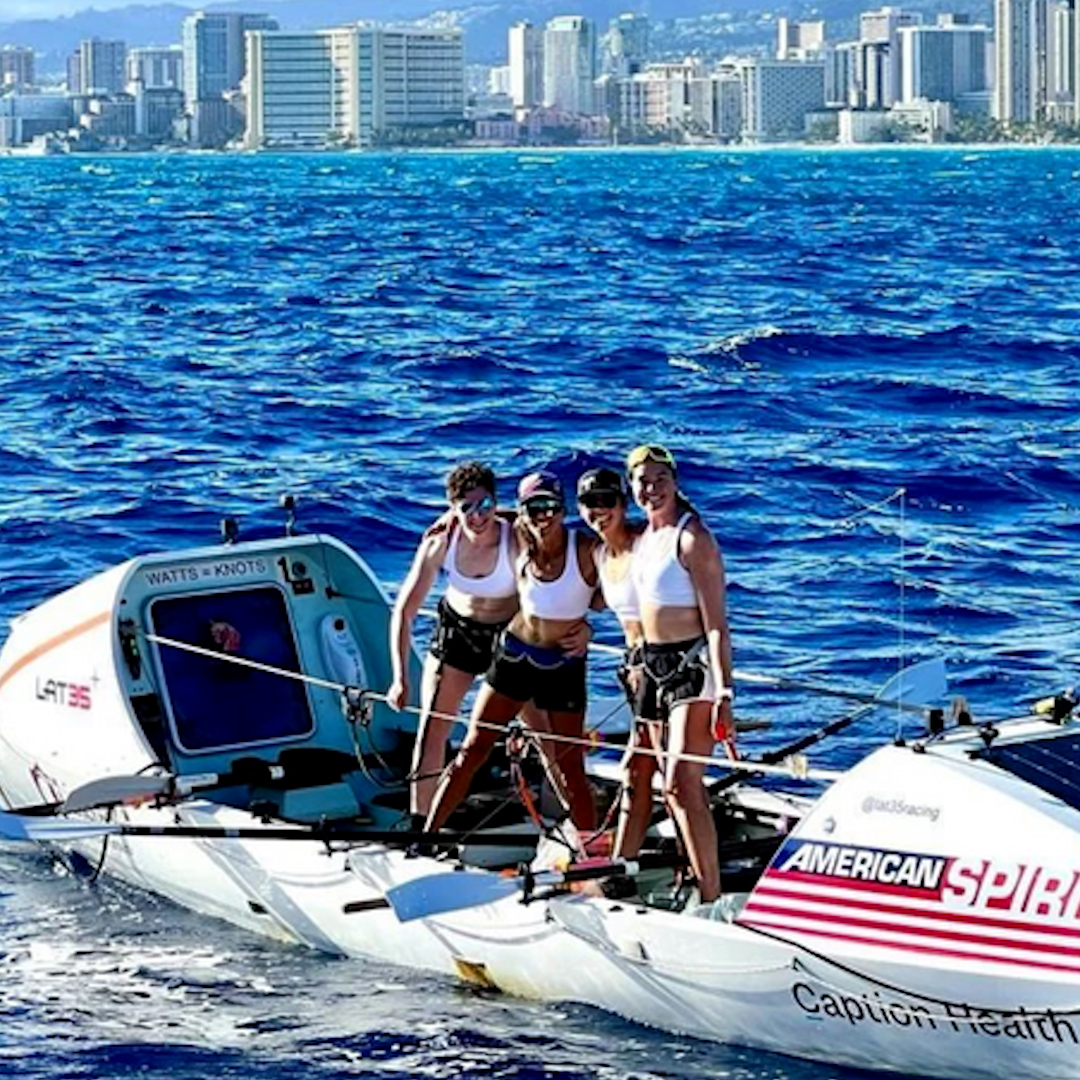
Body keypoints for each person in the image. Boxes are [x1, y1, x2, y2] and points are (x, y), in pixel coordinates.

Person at [425, 469, 599, 836]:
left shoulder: (584, 548)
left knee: (570, 767)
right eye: (535, 508)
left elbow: (616, 590)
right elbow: (489, 514)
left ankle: (591, 855)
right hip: (514, 657)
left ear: (564, 508)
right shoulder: (518, 534)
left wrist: (588, 628)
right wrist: (448, 518)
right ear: (523, 512)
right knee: (473, 749)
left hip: (563, 665)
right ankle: (424, 837)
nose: (544, 516)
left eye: (551, 507)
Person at [626, 444, 735, 904]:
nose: (651, 489)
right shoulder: (645, 539)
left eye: (659, 479)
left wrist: (725, 690)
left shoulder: (693, 540)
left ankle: (713, 896)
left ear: (674, 481)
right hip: (652, 667)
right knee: (655, 783)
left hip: (692, 670)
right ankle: (689, 876)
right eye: (642, 481)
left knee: (680, 782)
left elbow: (715, 623)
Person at [387, 461, 519, 819]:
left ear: (496, 502)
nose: (477, 517)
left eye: (485, 506)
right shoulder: (440, 543)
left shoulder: (516, 538)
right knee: (433, 731)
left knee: (543, 729)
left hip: (506, 635)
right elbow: (404, 612)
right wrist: (400, 679)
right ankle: (421, 824)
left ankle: (566, 823)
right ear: (453, 510)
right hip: (458, 634)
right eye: (466, 509)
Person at [574, 467, 654, 860]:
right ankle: (622, 863)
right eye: (590, 502)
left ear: (624, 504)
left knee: (670, 776)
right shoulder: (600, 553)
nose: (599, 509)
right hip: (636, 673)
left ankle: (699, 875)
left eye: (608, 500)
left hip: (670, 670)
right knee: (637, 771)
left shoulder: (646, 542)